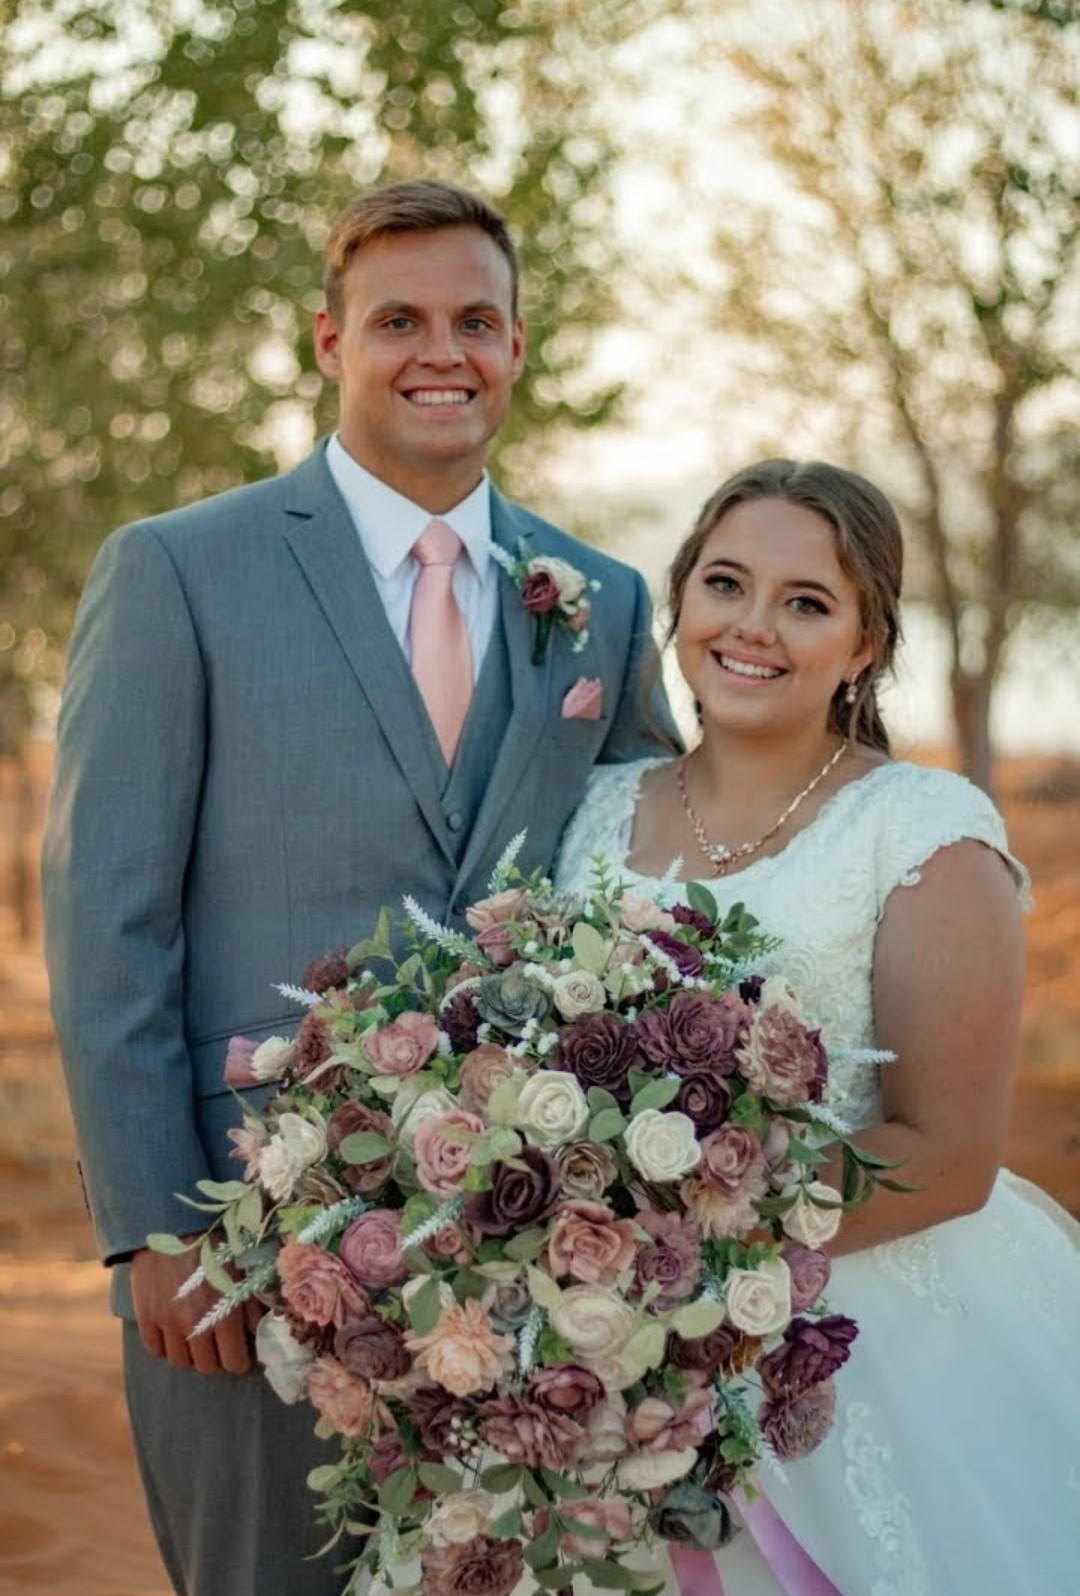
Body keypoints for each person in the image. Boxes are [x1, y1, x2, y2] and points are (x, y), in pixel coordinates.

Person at [41, 178, 678, 1596]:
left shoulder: (601, 597)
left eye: (475, 320)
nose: (439, 350)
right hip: (246, 1236)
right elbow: (107, 921)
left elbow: (650, 880)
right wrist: (154, 1219)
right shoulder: (178, 572)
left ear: (518, 347)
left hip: (532, 1251)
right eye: (400, 319)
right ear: (329, 341)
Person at [555, 458, 1080, 1596]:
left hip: (858, 1353)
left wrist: (682, 1262)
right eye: (725, 584)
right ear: (681, 600)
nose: (754, 628)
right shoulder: (596, 811)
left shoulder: (924, 833)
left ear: (866, 646)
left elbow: (947, 1157)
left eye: (806, 603)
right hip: (598, 1353)